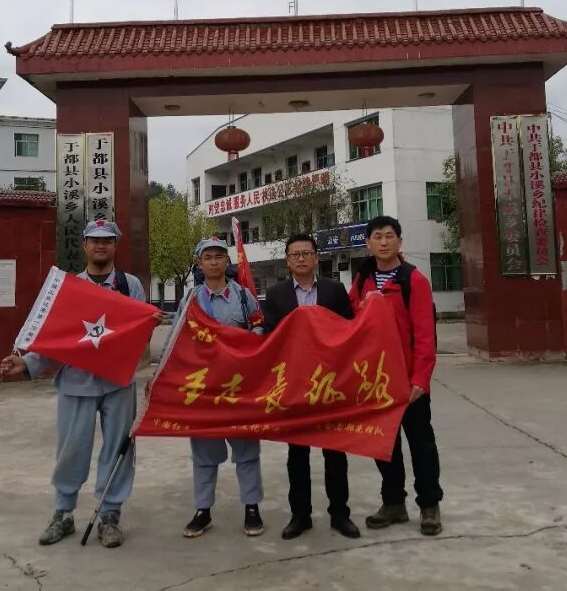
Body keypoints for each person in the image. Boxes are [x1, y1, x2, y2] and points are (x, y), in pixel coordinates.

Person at [0, 219, 154, 549]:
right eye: (94, 240)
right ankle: (63, 512)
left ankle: (109, 514)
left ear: (116, 246)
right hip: (76, 381)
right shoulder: (68, 288)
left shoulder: (130, 286)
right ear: (84, 245)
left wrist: (148, 325)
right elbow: (56, 338)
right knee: (71, 450)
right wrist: (27, 363)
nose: (101, 246)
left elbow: (139, 333)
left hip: (117, 382)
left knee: (119, 450)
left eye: (107, 240)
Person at [348, 215, 444, 536]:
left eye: (390, 236)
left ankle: (429, 506)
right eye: (377, 236)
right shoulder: (362, 279)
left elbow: (426, 336)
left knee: (421, 446)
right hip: (376, 381)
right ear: (368, 243)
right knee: (384, 446)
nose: (384, 241)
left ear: (400, 242)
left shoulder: (413, 280)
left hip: (408, 383)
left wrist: (420, 380)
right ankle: (393, 503)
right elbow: (352, 322)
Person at [263, 233, 360, 540]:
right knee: (298, 455)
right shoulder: (276, 295)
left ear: (316, 258)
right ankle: (300, 515)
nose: (301, 258)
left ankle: (340, 514)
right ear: (288, 260)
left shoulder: (334, 290)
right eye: (295, 254)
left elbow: (349, 330)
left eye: (306, 253)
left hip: (329, 385)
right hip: (294, 386)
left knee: (335, 453)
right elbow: (270, 337)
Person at [179, 237, 265, 538]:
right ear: (199, 264)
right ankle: (203, 510)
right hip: (204, 388)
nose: (214, 262)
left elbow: (257, 326)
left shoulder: (243, 296)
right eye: (208, 257)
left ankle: (252, 507)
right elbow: (178, 339)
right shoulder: (191, 300)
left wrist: (248, 340)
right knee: (204, 452)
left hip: (237, 387)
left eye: (219, 256)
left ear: (227, 262)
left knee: (246, 449)